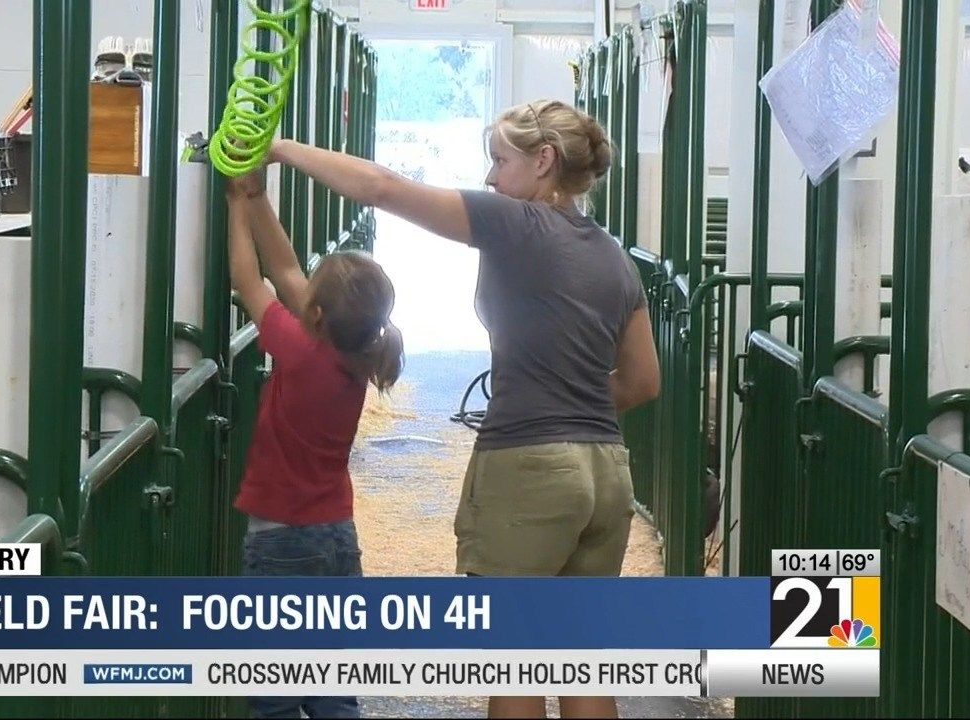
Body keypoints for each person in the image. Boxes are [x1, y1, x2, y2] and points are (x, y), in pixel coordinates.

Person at [267, 99, 661, 719]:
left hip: (529, 467)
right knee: (582, 658)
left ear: (544, 161)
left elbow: (383, 187)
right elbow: (643, 382)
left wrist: (279, 149)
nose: (490, 178)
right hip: (606, 470)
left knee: (515, 658)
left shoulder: (516, 223)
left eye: (500, 161)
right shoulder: (615, 258)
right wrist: (574, 396)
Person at [226, 167, 404, 719]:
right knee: (331, 684)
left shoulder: (299, 347)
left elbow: (252, 279)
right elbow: (286, 270)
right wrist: (257, 199)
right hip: (337, 538)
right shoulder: (359, 354)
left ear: (317, 314)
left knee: (277, 691)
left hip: (281, 540)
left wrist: (235, 203)